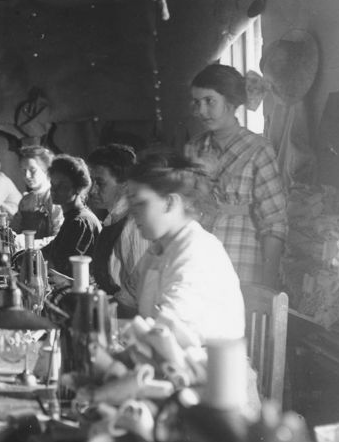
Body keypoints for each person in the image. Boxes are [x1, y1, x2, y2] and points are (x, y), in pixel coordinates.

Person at [184, 64, 287, 288]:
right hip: (198, 263)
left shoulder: (259, 150)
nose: (201, 111)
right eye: (197, 102)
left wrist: (267, 284)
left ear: (231, 103)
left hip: (241, 263)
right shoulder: (193, 149)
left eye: (209, 101)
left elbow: (274, 224)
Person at [126, 153, 244, 342]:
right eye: (131, 205)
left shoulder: (197, 252)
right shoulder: (159, 248)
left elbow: (167, 334)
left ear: (170, 202)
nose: (133, 214)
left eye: (140, 204)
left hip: (206, 366)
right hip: (171, 358)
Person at [86, 144, 151, 314]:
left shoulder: (133, 227)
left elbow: (136, 296)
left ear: (124, 184)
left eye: (100, 183)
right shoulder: (112, 220)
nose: (92, 190)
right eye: (90, 181)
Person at [40, 155, 101, 275]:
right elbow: (49, 251)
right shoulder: (71, 218)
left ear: (77, 188)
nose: (54, 190)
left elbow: (63, 267)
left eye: (62, 186)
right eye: (53, 184)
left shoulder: (80, 222)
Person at [10, 145, 62, 245]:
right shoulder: (25, 201)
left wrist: (28, 243)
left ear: (47, 170)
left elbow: (59, 239)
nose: (27, 176)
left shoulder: (57, 200)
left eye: (32, 170)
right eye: (24, 170)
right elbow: (13, 230)